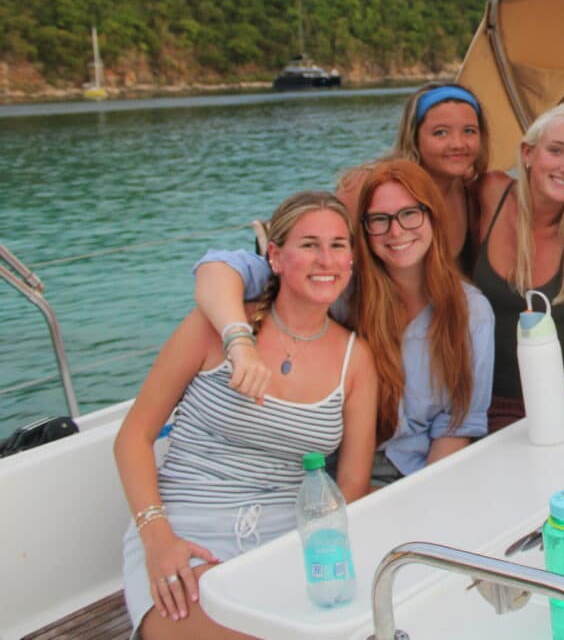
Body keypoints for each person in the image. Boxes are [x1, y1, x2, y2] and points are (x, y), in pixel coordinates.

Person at [115, 192, 378, 639]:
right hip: (184, 534)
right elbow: (133, 437)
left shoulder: (356, 360)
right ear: (275, 256)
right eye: (309, 244)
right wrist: (156, 538)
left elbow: (351, 485)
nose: (326, 259)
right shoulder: (213, 328)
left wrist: (317, 562)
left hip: (290, 543)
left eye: (338, 245)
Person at [194, 159, 494, 483]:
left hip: (417, 473)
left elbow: (456, 426)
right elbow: (217, 267)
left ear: (433, 216)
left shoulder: (472, 313)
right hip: (327, 472)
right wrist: (239, 341)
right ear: (363, 228)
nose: (396, 231)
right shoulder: (334, 286)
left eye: (410, 214)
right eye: (379, 219)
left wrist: (424, 495)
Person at [473, 104, 564, 431]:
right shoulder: (491, 193)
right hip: (476, 402)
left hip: (549, 403)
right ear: (528, 153)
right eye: (556, 150)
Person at [339, 82, 490, 275]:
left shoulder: (471, 192)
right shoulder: (367, 187)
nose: (458, 144)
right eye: (441, 132)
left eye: (469, 131)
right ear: (414, 137)